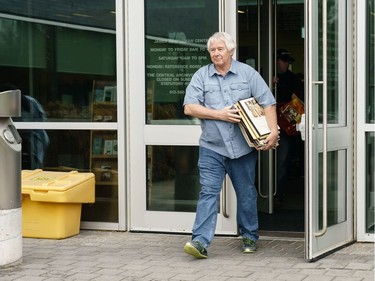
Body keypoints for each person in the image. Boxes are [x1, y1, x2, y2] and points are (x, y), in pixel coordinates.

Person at [182, 32, 278, 259]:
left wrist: (273, 131)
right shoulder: (201, 76)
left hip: (243, 148)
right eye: (212, 50)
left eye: (220, 49)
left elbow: (268, 102)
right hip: (211, 148)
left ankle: (249, 236)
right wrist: (219, 115)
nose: (215, 53)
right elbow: (189, 107)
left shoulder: (247, 74)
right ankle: (200, 242)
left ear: (231, 51)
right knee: (208, 193)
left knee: (246, 194)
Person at [273, 49, 304, 207]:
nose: (286, 64)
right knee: (260, 160)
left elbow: (299, 103)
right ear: (276, 60)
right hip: (264, 123)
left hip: (285, 126)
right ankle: (263, 193)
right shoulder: (263, 75)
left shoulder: (293, 79)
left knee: (282, 160)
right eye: (283, 60)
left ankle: (278, 193)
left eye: (287, 61)